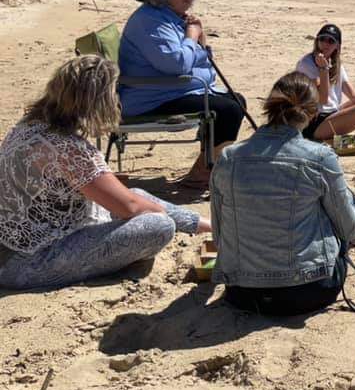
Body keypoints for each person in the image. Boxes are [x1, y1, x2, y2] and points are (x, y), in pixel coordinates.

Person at [0, 56, 211, 290]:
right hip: (29, 262)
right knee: (158, 226)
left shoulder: (28, 126)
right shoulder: (68, 149)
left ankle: (206, 226)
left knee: (136, 194)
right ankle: (207, 230)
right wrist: (161, 215)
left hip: (18, 244)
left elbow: (126, 200)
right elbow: (129, 207)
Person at [210, 71, 355, 316]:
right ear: (312, 114)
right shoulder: (320, 157)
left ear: (270, 107)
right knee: (342, 200)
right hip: (309, 290)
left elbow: (219, 236)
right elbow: (347, 230)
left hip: (242, 292)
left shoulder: (228, 158)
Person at [119, 0, 247, 188]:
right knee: (229, 109)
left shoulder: (169, 18)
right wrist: (192, 35)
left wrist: (199, 39)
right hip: (150, 98)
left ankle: (204, 168)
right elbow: (177, 63)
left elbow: (195, 58)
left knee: (236, 101)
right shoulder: (150, 21)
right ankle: (204, 173)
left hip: (169, 90)